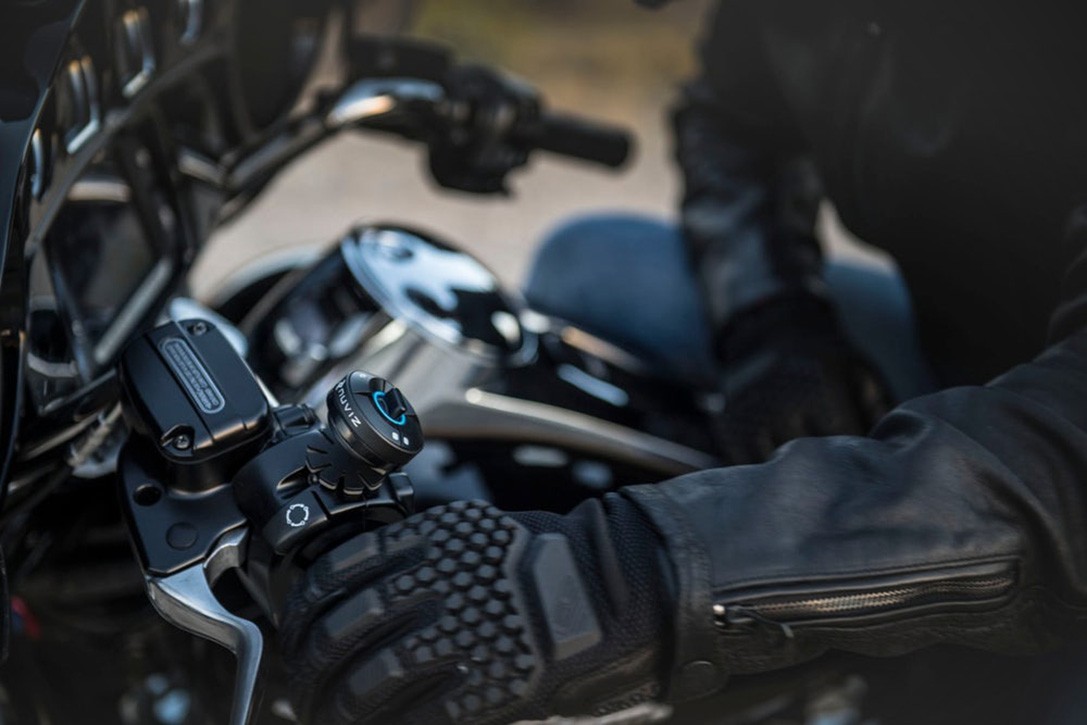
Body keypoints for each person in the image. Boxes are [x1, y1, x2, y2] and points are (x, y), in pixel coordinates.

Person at [277, 1, 1087, 723]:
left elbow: (1067, 460)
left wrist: (619, 579)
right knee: (589, 261)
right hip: (963, 349)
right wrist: (771, 323)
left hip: (1060, 438)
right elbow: (732, 119)